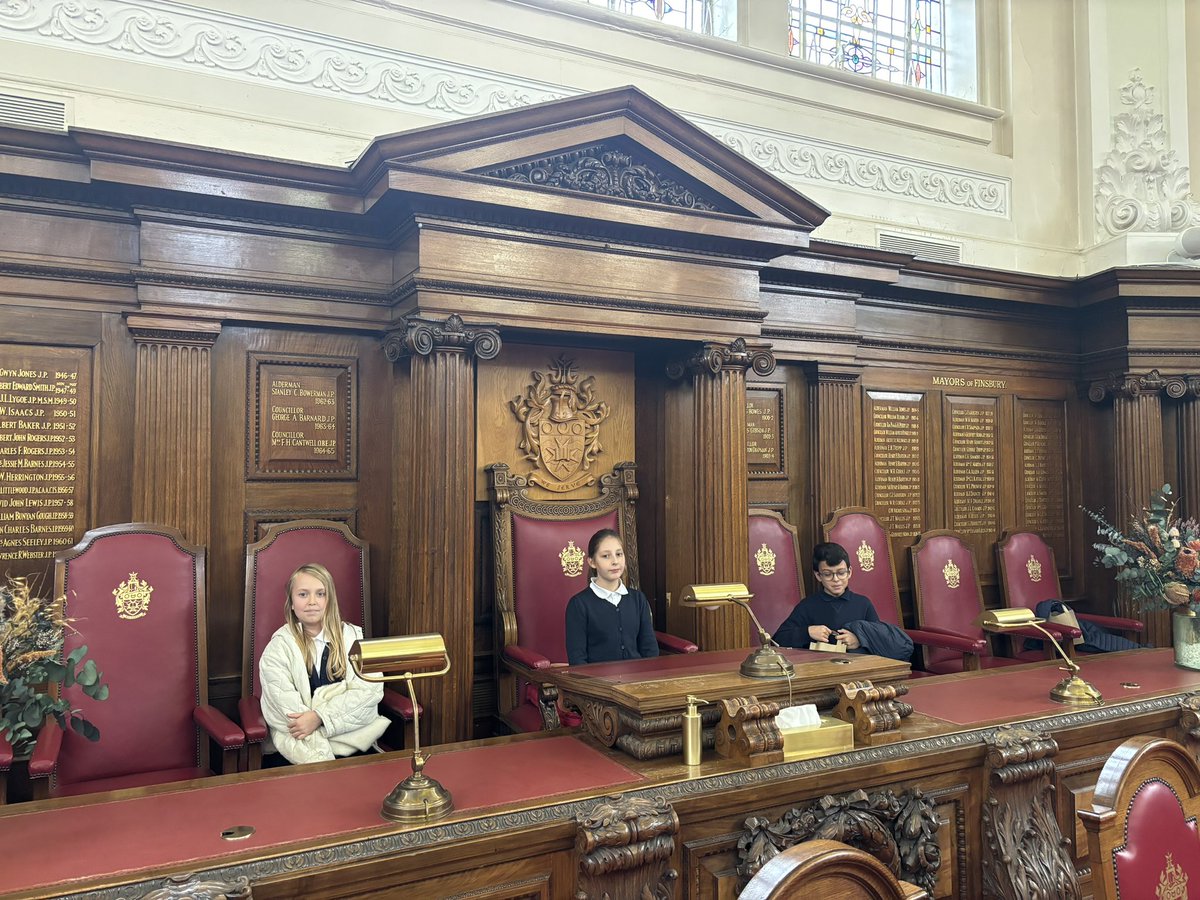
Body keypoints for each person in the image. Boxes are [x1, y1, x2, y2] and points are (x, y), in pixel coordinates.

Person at [259, 562, 389, 765]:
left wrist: (319, 716)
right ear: (291, 602)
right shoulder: (278, 648)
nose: (312, 601)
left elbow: (368, 693)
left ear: (330, 600)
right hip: (297, 749)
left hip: (352, 743)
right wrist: (323, 758)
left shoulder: (354, 639)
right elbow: (289, 714)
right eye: (303, 594)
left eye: (320, 594)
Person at [772, 542, 910, 661]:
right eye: (827, 574)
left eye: (841, 572)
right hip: (821, 672)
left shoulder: (863, 604)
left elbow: (879, 638)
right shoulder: (807, 605)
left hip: (859, 672)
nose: (836, 579)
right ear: (818, 575)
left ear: (849, 572)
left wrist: (860, 640)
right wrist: (807, 632)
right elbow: (777, 640)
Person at [565, 528, 659, 665]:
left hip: (638, 680)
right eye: (606, 556)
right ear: (592, 562)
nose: (615, 561)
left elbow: (649, 649)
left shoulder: (638, 599)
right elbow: (577, 658)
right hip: (597, 683)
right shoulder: (579, 604)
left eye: (619, 554)